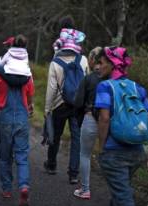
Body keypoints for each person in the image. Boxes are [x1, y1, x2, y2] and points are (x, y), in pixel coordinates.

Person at [95, 47, 148, 206]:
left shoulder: (105, 87)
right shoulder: (138, 88)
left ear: (112, 65)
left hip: (115, 152)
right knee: (121, 188)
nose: (97, 66)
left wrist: (101, 146)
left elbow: (104, 118)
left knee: (122, 193)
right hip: (137, 151)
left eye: (101, 62)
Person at [0, 34, 34, 206]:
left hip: (4, 119)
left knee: (5, 156)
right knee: (22, 157)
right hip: (22, 118)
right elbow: (30, 99)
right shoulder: (27, 75)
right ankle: (23, 186)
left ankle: (7, 189)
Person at [43, 17, 89, 184]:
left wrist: (47, 109)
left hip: (59, 104)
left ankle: (52, 164)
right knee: (77, 138)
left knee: (55, 135)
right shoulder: (83, 60)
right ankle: (74, 174)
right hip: (78, 105)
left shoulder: (55, 62)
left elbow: (51, 89)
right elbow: (86, 83)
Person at [73, 47, 102, 199]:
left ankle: (85, 189)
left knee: (85, 154)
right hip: (108, 121)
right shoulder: (111, 79)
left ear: (92, 60)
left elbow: (78, 102)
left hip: (90, 118)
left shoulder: (88, 78)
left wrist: (79, 118)